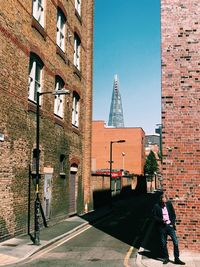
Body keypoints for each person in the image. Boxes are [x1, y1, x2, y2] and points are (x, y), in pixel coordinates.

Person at [152, 193, 185, 265]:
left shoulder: (169, 204)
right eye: (163, 202)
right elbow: (154, 217)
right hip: (162, 227)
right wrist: (161, 220)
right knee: (164, 243)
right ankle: (166, 258)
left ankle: (177, 259)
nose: (164, 203)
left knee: (175, 242)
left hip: (170, 226)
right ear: (161, 200)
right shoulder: (156, 206)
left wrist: (172, 224)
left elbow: (173, 214)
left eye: (165, 201)